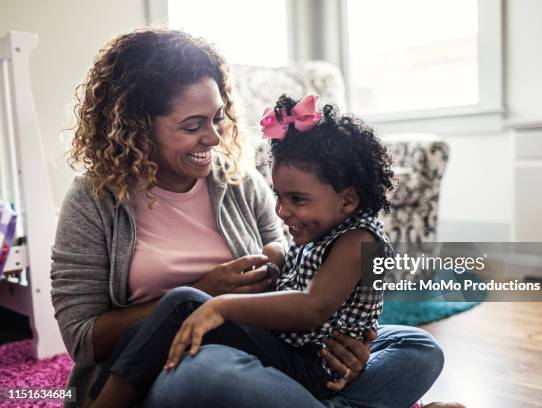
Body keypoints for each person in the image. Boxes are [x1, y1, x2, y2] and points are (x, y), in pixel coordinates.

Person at [50, 28, 458, 408]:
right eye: (193, 126)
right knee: (209, 374)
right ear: (137, 128)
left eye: (217, 117)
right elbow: (84, 340)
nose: (212, 138)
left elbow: (304, 287)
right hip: (171, 364)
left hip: (275, 346)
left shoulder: (238, 182)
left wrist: (354, 342)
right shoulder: (95, 200)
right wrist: (205, 293)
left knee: (415, 346)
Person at [87, 93, 394, 407]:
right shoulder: (327, 226)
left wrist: (222, 307)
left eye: (297, 200)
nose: (282, 211)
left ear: (347, 199)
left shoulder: (360, 240)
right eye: (279, 196)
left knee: (415, 346)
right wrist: (275, 253)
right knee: (144, 330)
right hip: (287, 347)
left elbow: (311, 307)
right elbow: (299, 263)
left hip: (312, 366)